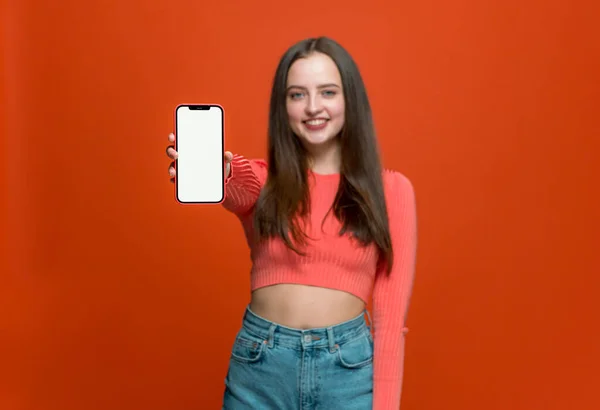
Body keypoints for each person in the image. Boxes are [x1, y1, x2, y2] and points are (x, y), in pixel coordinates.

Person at [166, 36, 417, 410]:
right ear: (282, 107)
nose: (313, 107)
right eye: (297, 95)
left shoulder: (391, 190)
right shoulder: (264, 182)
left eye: (327, 92)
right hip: (260, 370)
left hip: (348, 375)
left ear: (350, 98)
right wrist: (219, 172)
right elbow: (237, 184)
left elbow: (390, 321)